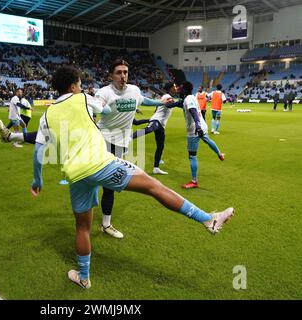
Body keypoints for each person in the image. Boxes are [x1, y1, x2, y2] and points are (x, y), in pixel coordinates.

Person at [25, 66, 235, 289]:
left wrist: (37, 181)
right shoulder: (83, 99)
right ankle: (208, 219)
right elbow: (105, 113)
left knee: (82, 228)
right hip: (102, 164)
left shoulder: (47, 115)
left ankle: (84, 278)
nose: (80, 87)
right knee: (153, 186)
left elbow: (38, 153)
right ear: (73, 86)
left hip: (76, 176)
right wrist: (104, 108)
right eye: (78, 83)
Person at [95, 59, 168, 239]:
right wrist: (101, 108)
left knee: (107, 184)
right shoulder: (104, 92)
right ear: (111, 75)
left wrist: (162, 103)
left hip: (121, 143)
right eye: (119, 72)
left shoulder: (134, 90)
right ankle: (105, 223)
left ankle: (104, 222)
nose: (123, 76)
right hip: (102, 140)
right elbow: (99, 105)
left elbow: (145, 101)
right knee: (106, 184)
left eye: (125, 72)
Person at [179, 81, 225, 189]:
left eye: (180, 88)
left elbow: (193, 111)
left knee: (192, 156)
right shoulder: (192, 97)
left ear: (185, 89)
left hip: (194, 129)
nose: (179, 89)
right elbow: (182, 105)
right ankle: (219, 154)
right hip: (202, 126)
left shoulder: (189, 99)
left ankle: (194, 181)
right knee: (207, 140)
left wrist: (197, 126)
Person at [131, 82, 183, 175]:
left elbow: (160, 107)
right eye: (174, 87)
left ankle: (156, 168)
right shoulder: (167, 96)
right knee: (149, 129)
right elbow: (169, 105)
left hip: (161, 124)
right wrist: (184, 103)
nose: (175, 88)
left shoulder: (167, 96)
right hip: (157, 120)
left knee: (160, 146)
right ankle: (130, 137)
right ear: (170, 88)